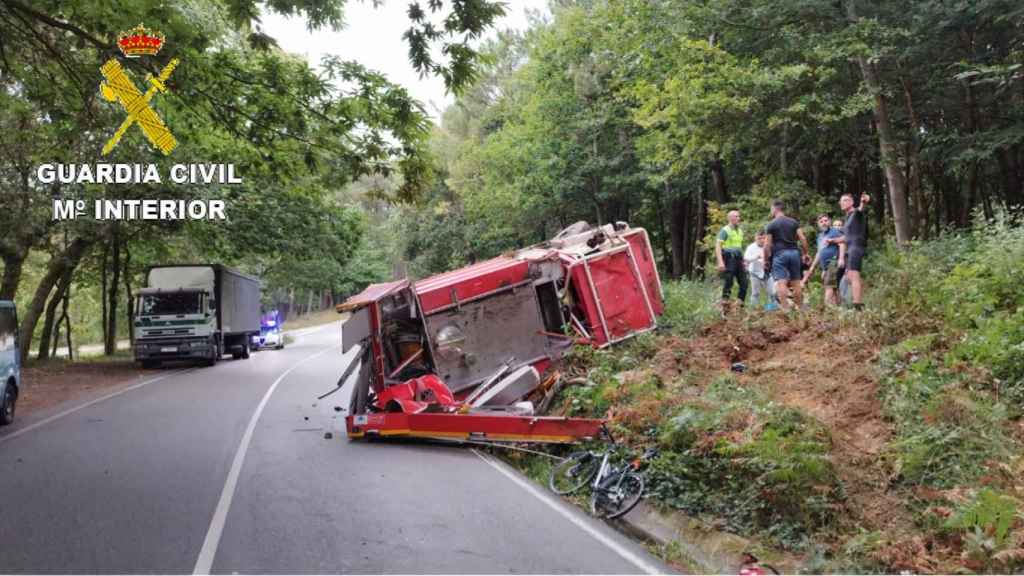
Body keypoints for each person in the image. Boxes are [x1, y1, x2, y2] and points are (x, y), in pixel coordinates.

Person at [763, 200, 810, 312]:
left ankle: (786, 309)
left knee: (781, 282)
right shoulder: (793, 222)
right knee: (796, 282)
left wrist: (766, 260)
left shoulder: (771, 224)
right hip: (794, 253)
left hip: (780, 254)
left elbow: (767, 245)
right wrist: (805, 253)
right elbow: (803, 238)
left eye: (771, 209)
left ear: (774, 209)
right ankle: (800, 308)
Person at [832, 193, 871, 310]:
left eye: (845, 200)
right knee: (849, 276)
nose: (842, 203)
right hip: (850, 249)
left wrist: (863, 202)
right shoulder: (848, 218)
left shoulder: (856, 213)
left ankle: (857, 305)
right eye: (841, 201)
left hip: (855, 248)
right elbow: (846, 237)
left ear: (852, 202)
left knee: (854, 275)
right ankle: (856, 301)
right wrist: (833, 240)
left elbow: (861, 208)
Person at [802, 214, 843, 306]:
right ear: (818, 224)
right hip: (826, 266)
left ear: (829, 222)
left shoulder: (835, 232)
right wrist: (813, 267)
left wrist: (841, 258)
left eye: (825, 221)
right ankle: (838, 308)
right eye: (821, 222)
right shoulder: (820, 236)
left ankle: (826, 307)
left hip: (834, 261)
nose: (824, 223)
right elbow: (819, 252)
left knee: (829, 285)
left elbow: (842, 244)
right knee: (834, 289)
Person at [715, 210, 747, 314]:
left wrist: (743, 260)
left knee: (744, 283)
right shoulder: (725, 230)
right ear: (730, 218)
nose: (738, 218)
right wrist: (720, 262)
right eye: (736, 216)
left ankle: (739, 307)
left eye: (739, 216)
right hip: (729, 259)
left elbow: (739, 247)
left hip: (739, 259)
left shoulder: (740, 231)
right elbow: (718, 247)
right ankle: (725, 308)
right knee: (728, 283)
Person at [744, 230, 775, 309]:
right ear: (755, 238)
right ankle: (754, 309)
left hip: (767, 272)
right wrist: (756, 257)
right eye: (759, 238)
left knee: (772, 293)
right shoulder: (751, 247)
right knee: (755, 293)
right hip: (755, 273)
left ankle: (771, 309)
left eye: (763, 238)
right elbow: (746, 258)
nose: (761, 240)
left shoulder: (769, 246)